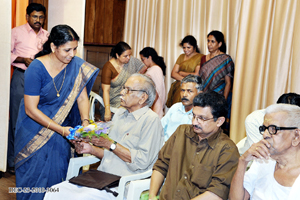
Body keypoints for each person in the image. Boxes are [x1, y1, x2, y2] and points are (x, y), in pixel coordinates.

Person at [44, 74, 164, 200]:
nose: (121, 92)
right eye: (123, 88)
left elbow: (141, 162)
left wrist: (109, 144)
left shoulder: (151, 121)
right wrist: (90, 149)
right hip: (101, 178)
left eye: (128, 90)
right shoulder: (120, 113)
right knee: (54, 192)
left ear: (142, 97)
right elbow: (111, 154)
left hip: (122, 184)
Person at [14, 25, 99, 200]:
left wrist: (84, 121)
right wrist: (60, 129)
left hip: (61, 132)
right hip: (34, 131)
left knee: (57, 177)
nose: (72, 54)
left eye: (75, 49)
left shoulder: (75, 65)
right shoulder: (36, 68)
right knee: (33, 180)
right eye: (67, 50)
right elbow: (30, 109)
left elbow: (82, 98)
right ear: (53, 47)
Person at [149, 91, 239, 200]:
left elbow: (217, 193)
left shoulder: (227, 150)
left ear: (219, 121)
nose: (194, 122)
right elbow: (161, 165)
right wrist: (152, 196)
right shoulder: (181, 132)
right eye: (194, 116)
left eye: (202, 118)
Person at [8, 3, 49, 174]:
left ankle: (31, 159)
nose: (38, 20)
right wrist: (24, 59)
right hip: (21, 76)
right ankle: (12, 162)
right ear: (27, 17)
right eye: (34, 16)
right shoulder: (16, 32)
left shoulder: (48, 35)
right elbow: (5, 53)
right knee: (17, 118)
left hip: (42, 80)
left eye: (41, 17)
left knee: (36, 118)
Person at [229, 104, 300, 200]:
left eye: (273, 129)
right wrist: (242, 162)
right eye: (264, 129)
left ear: (296, 136)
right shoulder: (263, 160)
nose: (265, 135)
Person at [198, 30, 234, 135]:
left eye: (212, 42)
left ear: (220, 44)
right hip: (205, 96)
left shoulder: (226, 59)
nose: (209, 44)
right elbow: (201, 79)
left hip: (219, 95)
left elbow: (228, 83)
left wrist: (223, 100)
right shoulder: (203, 58)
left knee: (215, 123)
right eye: (208, 41)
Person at [101, 41, 146, 121]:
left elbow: (143, 67)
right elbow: (105, 91)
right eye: (125, 56)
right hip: (113, 98)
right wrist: (107, 109)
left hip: (126, 93)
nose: (129, 58)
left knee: (140, 101)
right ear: (117, 55)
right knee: (130, 105)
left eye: (129, 55)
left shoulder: (131, 61)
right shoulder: (108, 67)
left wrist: (135, 78)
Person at [161, 74, 202, 141]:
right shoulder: (175, 107)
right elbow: (160, 128)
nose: (184, 95)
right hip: (164, 146)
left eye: (189, 91)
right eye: (182, 90)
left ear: (199, 94)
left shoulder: (201, 115)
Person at [166, 35, 203, 108]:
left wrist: (182, 73)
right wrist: (184, 81)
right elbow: (173, 73)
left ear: (194, 47)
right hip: (178, 88)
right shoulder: (181, 56)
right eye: (184, 47)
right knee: (177, 109)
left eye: (188, 47)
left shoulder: (200, 57)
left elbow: (196, 75)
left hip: (191, 89)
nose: (186, 50)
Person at [140, 47, 166, 118]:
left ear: (149, 57)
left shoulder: (156, 69)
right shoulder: (152, 69)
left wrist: (151, 105)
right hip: (152, 103)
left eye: (143, 59)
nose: (143, 62)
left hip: (154, 104)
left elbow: (157, 90)